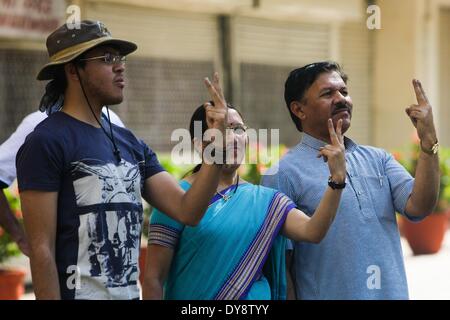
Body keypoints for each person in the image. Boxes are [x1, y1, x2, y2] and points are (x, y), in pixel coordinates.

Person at [15, 20, 229, 300]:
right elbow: (41, 249)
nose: (120, 66)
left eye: (120, 58)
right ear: (73, 70)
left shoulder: (130, 142)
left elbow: (188, 210)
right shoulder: (46, 141)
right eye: (106, 59)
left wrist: (215, 144)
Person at [261, 61, 440, 300]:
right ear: (299, 110)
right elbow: (281, 264)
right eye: (327, 93)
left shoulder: (379, 158)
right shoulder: (282, 174)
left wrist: (429, 144)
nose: (341, 98)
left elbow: (419, 206)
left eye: (344, 91)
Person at [142, 102, 347, 300]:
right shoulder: (177, 200)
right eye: (222, 129)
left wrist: (336, 181)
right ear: (199, 143)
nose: (232, 137)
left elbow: (313, 231)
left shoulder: (266, 201)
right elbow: (153, 279)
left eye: (238, 129)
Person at [0, 108, 125, 257]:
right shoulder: (39, 124)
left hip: (116, 260)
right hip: (66, 264)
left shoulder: (112, 121)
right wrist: (20, 237)